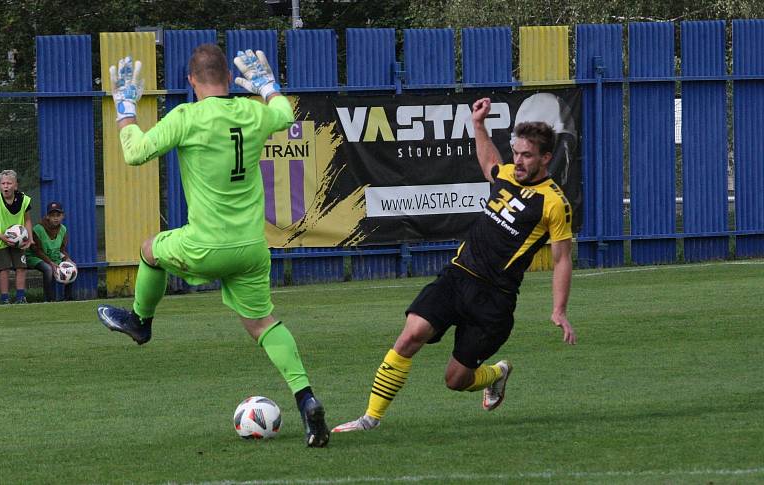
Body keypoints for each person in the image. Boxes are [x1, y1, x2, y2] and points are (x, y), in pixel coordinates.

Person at [95, 44, 330, 447]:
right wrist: (268, 85)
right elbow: (286, 114)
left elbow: (134, 153)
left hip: (206, 246)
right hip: (252, 249)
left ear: (191, 80)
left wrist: (126, 106)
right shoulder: (252, 112)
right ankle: (306, 399)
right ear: (228, 77)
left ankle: (141, 323)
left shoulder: (187, 116)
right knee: (262, 324)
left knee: (150, 249)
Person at [332, 97, 577, 433]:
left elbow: (563, 258)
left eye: (527, 156)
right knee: (411, 334)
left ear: (546, 158)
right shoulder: (506, 175)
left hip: (495, 299)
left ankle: (497, 373)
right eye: (517, 153)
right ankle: (369, 419)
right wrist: (478, 125)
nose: (518, 161)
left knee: (455, 380)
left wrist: (559, 309)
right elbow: (490, 160)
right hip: (457, 276)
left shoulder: (554, 203)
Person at [0, 169, 34, 304]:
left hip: (18, 239)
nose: (6, 186)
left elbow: (27, 219)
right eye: (3, 183)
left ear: (15, 185)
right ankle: (5, 299)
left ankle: (21, 297)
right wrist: (2, 237)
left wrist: (30, 238)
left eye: (9, 183)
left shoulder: (23, 199)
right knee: (4, 269)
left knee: (21, 267)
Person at [26, 201, 73, 302]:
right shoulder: (38, 229)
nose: (55, 218)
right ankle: (50, 300)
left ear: (62, 216)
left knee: (70, 267)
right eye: (52, 215)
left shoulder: (63, 229)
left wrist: (67, 259)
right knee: (48, 269)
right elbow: (36, 250)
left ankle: (68, 299)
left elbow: (61, 250)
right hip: (35, 257)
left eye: (58, 215)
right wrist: (51, 263)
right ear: (47, 216)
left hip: (53, 257)